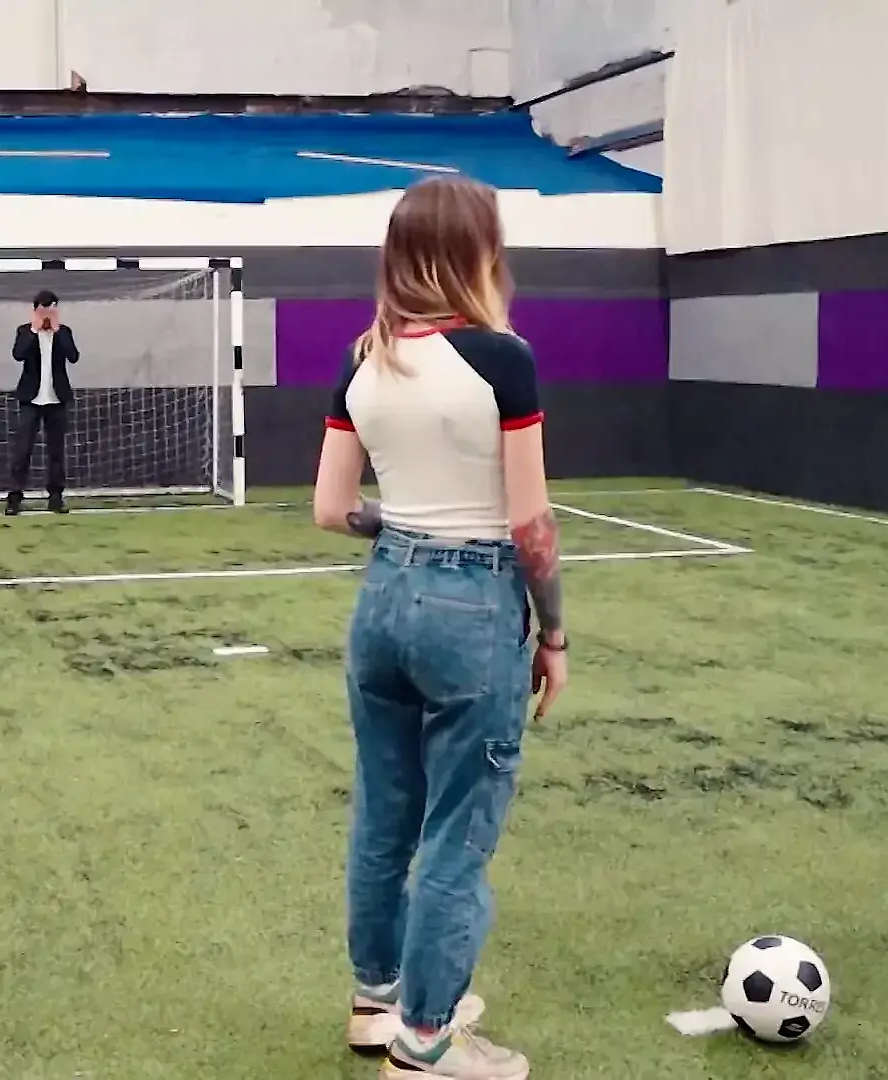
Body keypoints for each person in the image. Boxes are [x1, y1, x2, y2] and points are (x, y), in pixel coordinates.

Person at [312, 175, 568, 1080]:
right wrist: (554, 635)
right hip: (473, 609)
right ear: (480, 253)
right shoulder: (504, 359)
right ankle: (425, 1043)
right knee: (458, 835)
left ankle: (375, 1004)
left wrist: (410, 533)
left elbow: (332, 508)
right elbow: (531, 526)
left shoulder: (363, 362)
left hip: (383, 603)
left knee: (385, 817)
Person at [6, 288, 79, 515]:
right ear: (35, 310)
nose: (48, 314)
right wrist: (34, 330)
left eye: (52, 309)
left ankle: (56, 497)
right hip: (31, 399)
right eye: (44, 309)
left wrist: (57, 332)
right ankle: (15, 497)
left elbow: (73, 357)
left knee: (56, 451)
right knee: (23, 450)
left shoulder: (64, 332)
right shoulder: (24, 331)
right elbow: (18, 354)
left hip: (57, 399)